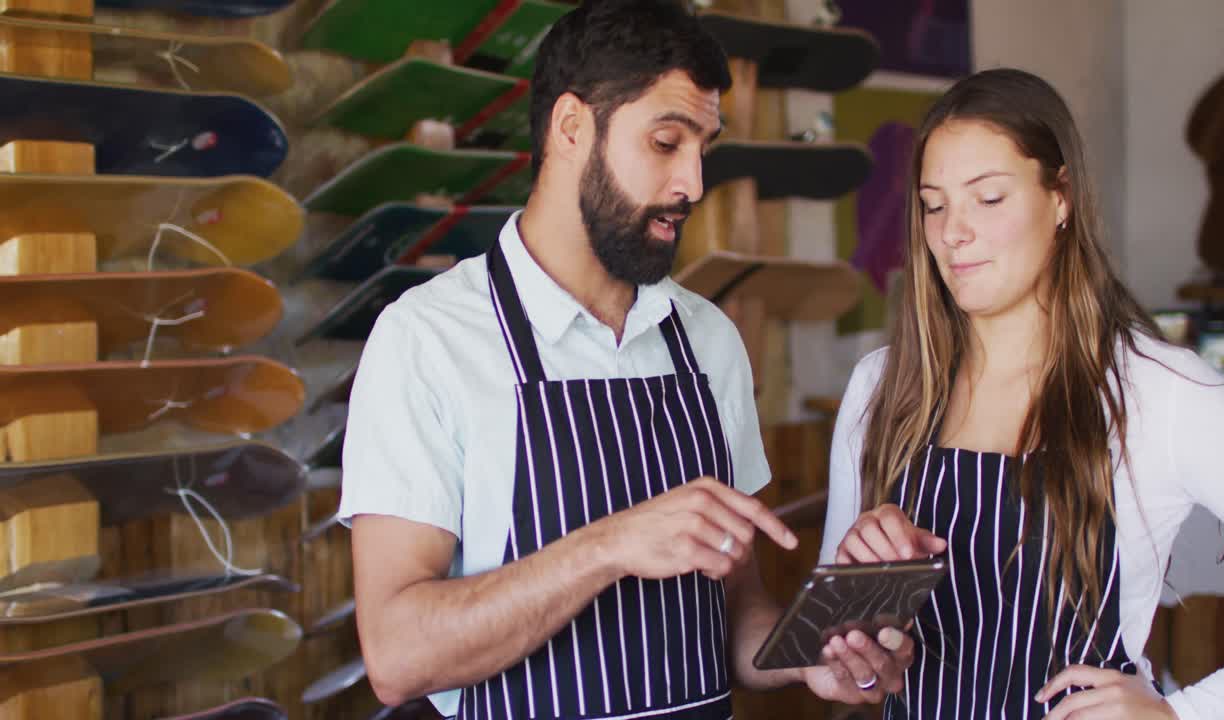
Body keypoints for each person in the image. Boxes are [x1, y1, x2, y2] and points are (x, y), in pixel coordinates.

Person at [340, 2, 915, 718]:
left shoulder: (708, 338)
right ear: (572, 128)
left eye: (704, 147)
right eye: (667, 142)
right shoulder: (429, 340)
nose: (693, 184)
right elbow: (397, 656)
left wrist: (813, 656)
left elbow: (739, 614)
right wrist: (610, 546)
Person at [821, 67, 1224, 719]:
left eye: (989, 198)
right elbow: (845, 665)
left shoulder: (1162, 393)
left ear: (1059, 197)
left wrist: (1182, 715)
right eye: (934, 203)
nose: (953, 232)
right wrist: (858, 595)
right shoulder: (881, 387)